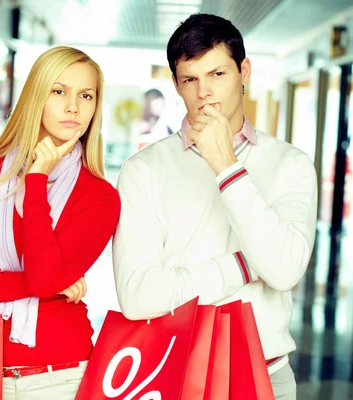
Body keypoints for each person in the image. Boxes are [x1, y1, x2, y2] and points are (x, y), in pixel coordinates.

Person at [112, 13, 317, 400]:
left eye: (217, 74)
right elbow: (138, 297)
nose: (204, 92)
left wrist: (226, 166)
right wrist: (245, 265)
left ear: (244, 71)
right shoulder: (143, 169)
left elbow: (285, 270)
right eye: (191, 79)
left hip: (265, 373)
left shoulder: (291, 163)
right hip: (170, 369)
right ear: (176, 84)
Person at [0, 46, 120, 399]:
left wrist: (36, 180)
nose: (73, 106)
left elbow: (46, 278)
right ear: (35, 97)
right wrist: (39, 284)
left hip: (61, 379)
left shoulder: (100, 196)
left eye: (86, 95)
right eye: (58, 91)